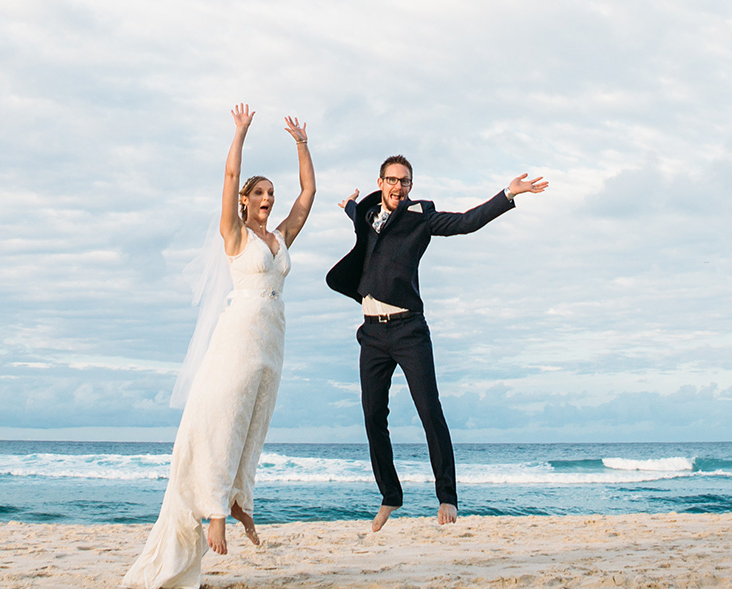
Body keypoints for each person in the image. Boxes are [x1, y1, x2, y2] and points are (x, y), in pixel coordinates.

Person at [122, 105, 317, 588]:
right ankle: (214, 511)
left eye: (272, 193)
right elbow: (230, 175)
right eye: (261, 193)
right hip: (238, 337)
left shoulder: (280, 237)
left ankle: (237, 501)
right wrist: (240, 132)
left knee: (254, 422)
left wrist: (301, 145)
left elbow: (309, 194)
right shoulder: (234, 235)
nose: (269, 199)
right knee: (226, 419)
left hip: (273, 339)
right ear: (246, 202)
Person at [326, 154, 548, 530]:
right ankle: (390, 496)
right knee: (372, 416)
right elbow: (357, 217)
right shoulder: (366, 216)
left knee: (430, 412)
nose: (398, 187)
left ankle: (447, 496)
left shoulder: (421, 218)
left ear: (411, 186)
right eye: (392, 180)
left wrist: (508, 194)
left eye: (405, 181)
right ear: (381, 182)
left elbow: (466, 222)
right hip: (372, 334)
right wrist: (349, 204)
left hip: (408, 329)